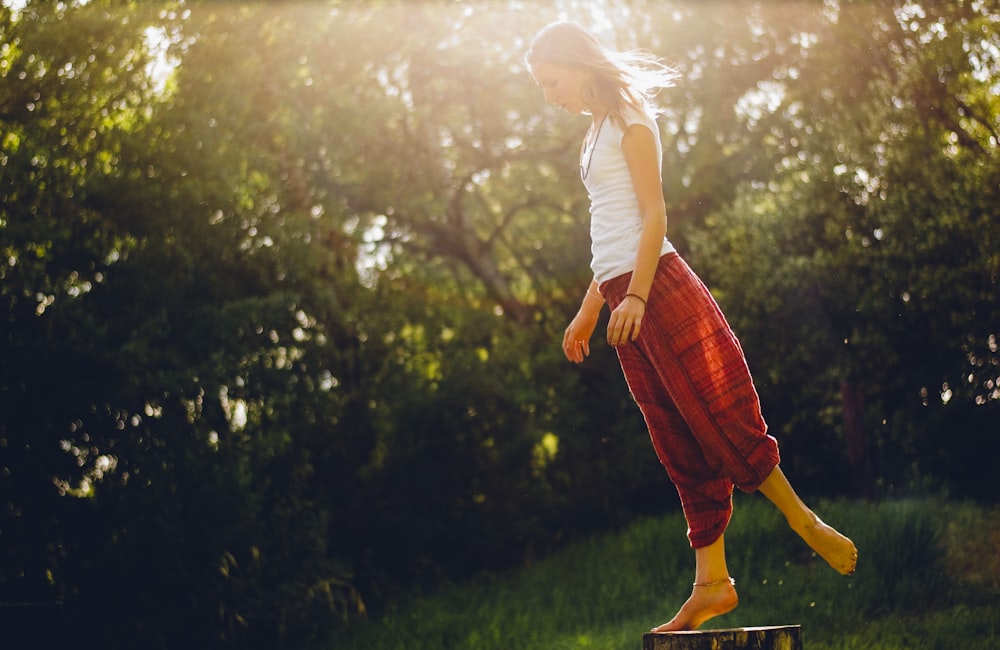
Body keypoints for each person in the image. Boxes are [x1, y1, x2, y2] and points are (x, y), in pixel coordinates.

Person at [524, 21, 858, 633]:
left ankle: (802, 519)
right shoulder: (593, 132)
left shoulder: (628, 120)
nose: (548, 95)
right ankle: (712, 583)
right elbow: (611, 231)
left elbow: (654, 215)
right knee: (675, 436)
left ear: (578, 65)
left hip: (658, 288)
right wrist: (591, 307)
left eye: (551, 81)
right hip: (623, 293)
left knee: (717, 411)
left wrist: (639, 298)